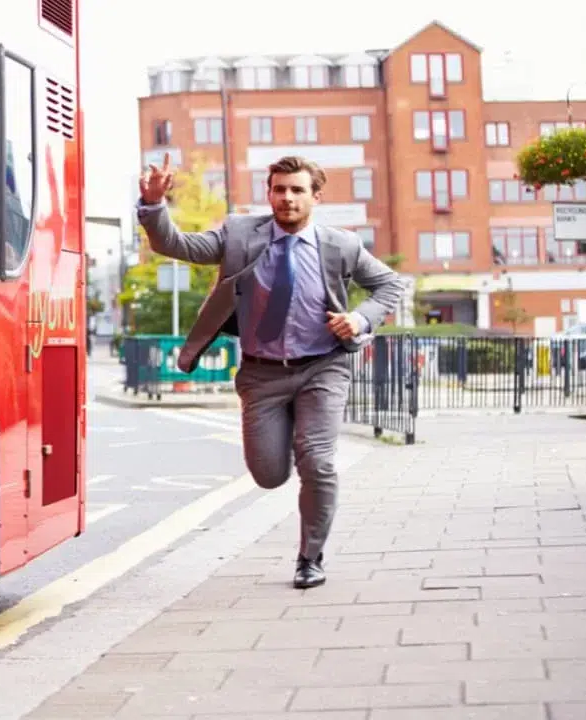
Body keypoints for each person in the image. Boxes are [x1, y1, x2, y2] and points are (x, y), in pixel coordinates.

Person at [136, 154, 403, 589]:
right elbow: (176, 246)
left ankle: (310, 558)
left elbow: (390, 285)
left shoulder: (341, 245)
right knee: (269, 474)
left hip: (323, 366)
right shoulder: (240, 233)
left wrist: (359, 319)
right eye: (279, 189)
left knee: (317, 462)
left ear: (316, 197)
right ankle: (291, 455)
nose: (287, 198)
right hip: (262, 376)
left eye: (297, 190)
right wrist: (152, 206)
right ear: (269, 193)